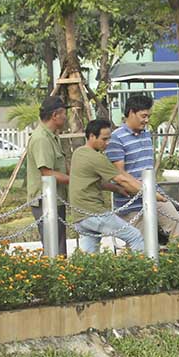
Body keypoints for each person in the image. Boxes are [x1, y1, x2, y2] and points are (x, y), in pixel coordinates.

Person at [69, 119, 162, 253]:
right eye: (104, 139)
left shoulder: (78, 153)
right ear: (91, 136)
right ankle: (147, 270)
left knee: (88, 258)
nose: (107, 143)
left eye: (109, 139)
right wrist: (152, 195)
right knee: (135, 236)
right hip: (94, 213)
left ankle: (79, 274)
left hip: (79, 216)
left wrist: (116, 189)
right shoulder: (97, 158)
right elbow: (122, 179)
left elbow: (94, 182)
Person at [105, 94, 179, 241]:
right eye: (143, 116)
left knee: (176, 222)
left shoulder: (146, 134)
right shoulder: (116, 138)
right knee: (140, 242)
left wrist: (153, 193)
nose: (147, 120)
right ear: (131, 113)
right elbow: (120, 175)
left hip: (155, 194)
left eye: (148, 116)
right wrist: (145, 191)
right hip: (131, 201)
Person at [26, 95, 72, 256]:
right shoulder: (41, 139)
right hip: (45, 201)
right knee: (52, 247)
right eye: (64, 113)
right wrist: (76, 181)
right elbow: (46, 172)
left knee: (58, 246)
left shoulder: (52, 136)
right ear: (55, 115)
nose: (66, 117)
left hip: (55, 198)